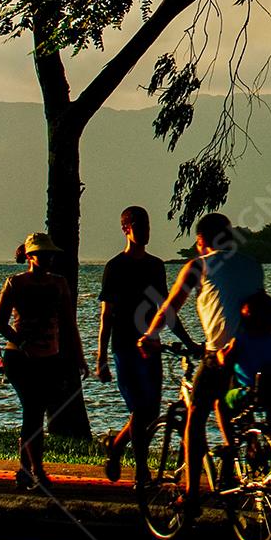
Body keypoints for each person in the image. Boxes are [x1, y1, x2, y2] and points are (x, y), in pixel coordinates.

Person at [138, 212, 266, 521]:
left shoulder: (198, 265)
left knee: (195, 418)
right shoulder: (253, 266)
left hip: (219, 354)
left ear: (201, 241)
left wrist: (150, 335)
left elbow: (170, 306)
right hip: (255, 351)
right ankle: (236, 449)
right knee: (224, 401)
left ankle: (193, 495)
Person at [0, 232, 89, 491]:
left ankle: (25, 470)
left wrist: (80, 358)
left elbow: (70, 325)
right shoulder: (15, 283)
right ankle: (36, 470)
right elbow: (0, 323)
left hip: (50, 358)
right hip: (19, 359)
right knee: (33, 411)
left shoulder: (59, 284)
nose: (47, 259)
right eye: (42, 255)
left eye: (50, 255)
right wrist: (22, 342)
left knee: (34, 413)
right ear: (29, 256)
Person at [95, 206, 170, 490]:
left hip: (151, 347)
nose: (146, 231)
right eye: (140, 225)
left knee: (149, 412)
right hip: (124, 346)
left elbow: (166, 307)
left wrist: (185, 341)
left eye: (149, 225)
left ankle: (115, 446)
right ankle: (141, 470)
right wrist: (101, 356)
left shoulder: (155, 266)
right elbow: (107, 314)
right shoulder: (115, 267)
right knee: (140, 409)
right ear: (126, 229)